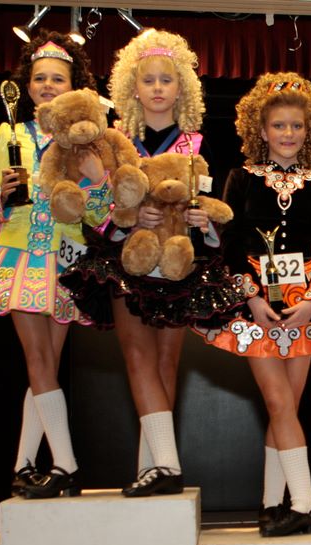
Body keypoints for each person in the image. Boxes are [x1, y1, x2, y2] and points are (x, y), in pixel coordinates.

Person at [61, 29, 241, 497]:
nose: (158, 88)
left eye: (166, 80)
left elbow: (214, 208)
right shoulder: (114, 141)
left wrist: (203, 221)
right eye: (149, 80)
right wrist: (127, 215)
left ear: (182, 88)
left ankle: (153, 466)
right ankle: (166, 464)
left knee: (166, 362)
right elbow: (92, 206)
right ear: (132, 88)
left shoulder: (199, 144)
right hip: (127, 261)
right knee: (137, 355)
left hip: (180, 266)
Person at [199, 73, 311, 536]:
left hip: (302, 310)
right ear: (261, 130)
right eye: (279, 125)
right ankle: (306, 503)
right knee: (277, 400)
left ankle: (272, 504)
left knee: (285, 406)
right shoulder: (241, 179)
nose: (288, 134)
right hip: (257, 309)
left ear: (309, 130)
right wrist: (250, 297)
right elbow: (228, 245)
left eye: (296, 125)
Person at [0, 31, 110, 498]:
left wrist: (98, 182)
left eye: (58, 79)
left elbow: (100, 216)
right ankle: (66, 464)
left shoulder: (86, 141)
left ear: (75, 86)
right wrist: (1, 194)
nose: (48, 85)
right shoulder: (9, 134)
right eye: (40, 77)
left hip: (67, 260)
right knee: (39, 361)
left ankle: (23, 465)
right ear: (26, 85)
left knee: (46, 366)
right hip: (21, 253)